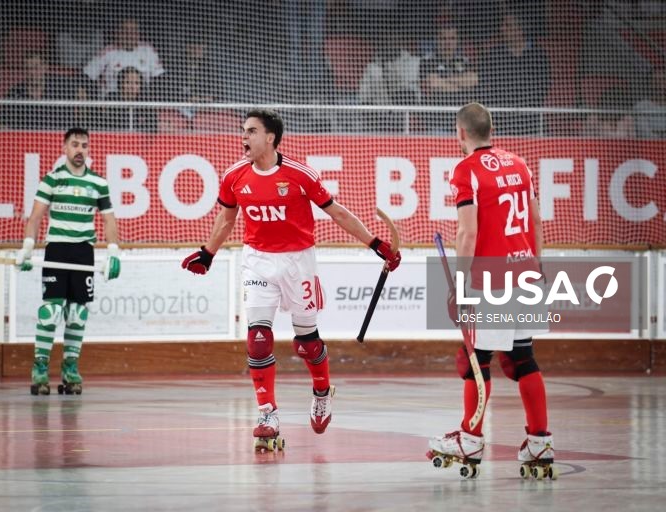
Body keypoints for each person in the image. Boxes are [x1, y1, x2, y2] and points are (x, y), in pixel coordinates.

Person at [181, 109, 401, 448]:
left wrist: (375, 243)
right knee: (257, 337)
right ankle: (267, 412)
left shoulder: (300, 175)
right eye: (243, 131)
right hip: (257, 261)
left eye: (251, 131)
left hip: (299, 262)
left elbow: (337, 212)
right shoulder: (234, 176)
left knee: (307, 342)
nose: (244, 137)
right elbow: (226, 220)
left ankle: (322, 391)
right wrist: (207, 253)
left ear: (270, 137)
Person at [429, 103, 555, 478]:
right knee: (522, 359)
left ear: (461, 134)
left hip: (492, 279)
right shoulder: (520, 164)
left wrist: (461, 287)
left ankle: (470, 438)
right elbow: (534, 220)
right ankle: (539, 442)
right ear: (491, 129)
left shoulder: (466, 170)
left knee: (475, 360)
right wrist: (537, 265)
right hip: (526, 272)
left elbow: (468, 232)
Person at [16, 127, 121, 396]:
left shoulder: (98, 183)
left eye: (84, 145)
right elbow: (36, 217)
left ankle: (70, 368)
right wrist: (28, 247)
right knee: (51, 312)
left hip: (83, 253)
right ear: (65, 148)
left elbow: (109, 219)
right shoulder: (52, 180)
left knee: (77, 314)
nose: (80, 150)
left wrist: (113, 252)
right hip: (57, 251)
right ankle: (40, 368)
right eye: (75, 145)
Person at [83, 18, 165, 98]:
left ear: (138, 33)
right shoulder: (108, 52)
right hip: (112, 101)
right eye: (126, 30)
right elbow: (87, 74)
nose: (130, 34)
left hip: (141, 103)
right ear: (118, 33)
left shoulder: (148, 50)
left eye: (133, 30)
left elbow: (160, 77)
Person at [420, 22, 479, 133]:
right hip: (437, 122)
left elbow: (473, 80)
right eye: (444, 38)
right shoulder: (427, 61)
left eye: (452, 38)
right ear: (437, 40)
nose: (448, 42)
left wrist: (444, 79)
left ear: (457, 40)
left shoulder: (464, 61)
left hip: (463, 124)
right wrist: (461, 83)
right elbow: (433, 83)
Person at [633, 67, 666, 139]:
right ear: (650, 84)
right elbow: (644, 132)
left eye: (663, 80)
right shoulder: (641, 106)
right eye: (657, 81)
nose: (660, 85)